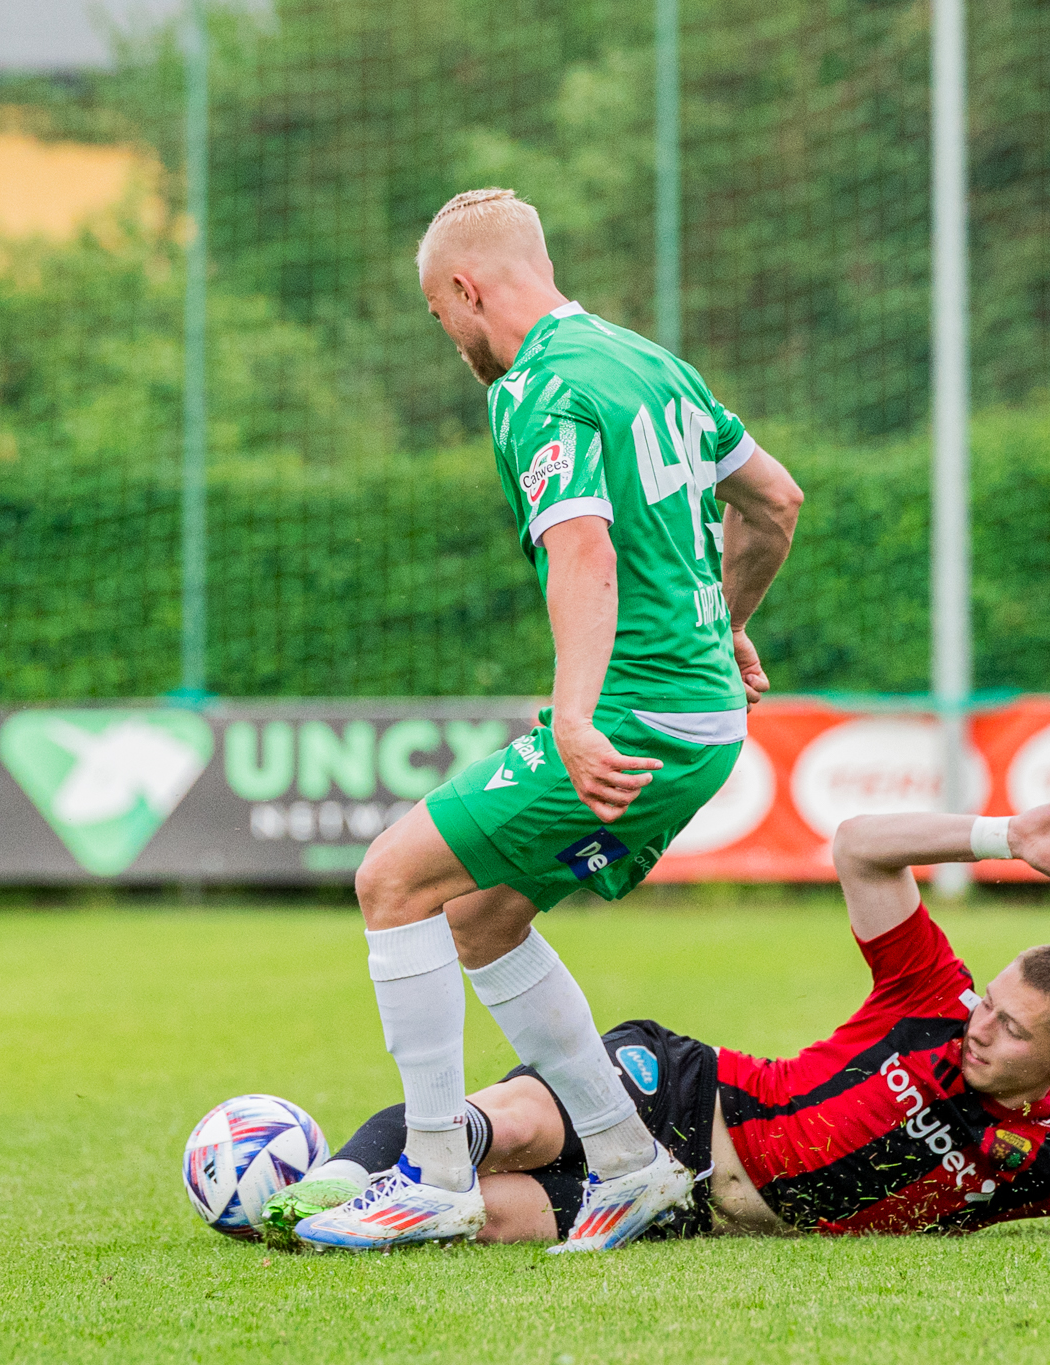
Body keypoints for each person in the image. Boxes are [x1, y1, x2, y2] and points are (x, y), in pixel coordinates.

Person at [271, 803, 1050, 1246]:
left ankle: (312, 1207)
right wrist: (997, 839)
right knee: (494, 1133)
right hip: (679, 1095)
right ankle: (300, 1179)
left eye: (1009, 1031)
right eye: (986, 1000)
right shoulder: (926, 994)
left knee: (476, 1235)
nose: (977, 1027)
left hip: (689, 1207)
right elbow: (857, 846)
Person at [295, 189, 805, 1254]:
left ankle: (432, 1173)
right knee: (480, 917)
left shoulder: (536, 386)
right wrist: (724, 626)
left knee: (391, 880)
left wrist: (573, 714)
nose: (453, 346)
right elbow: (774, 502)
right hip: (700, 717)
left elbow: (583, 550)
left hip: (635, 716)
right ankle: (629, 1166)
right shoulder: (647, 362)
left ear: (466, 290)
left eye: (443, 320)